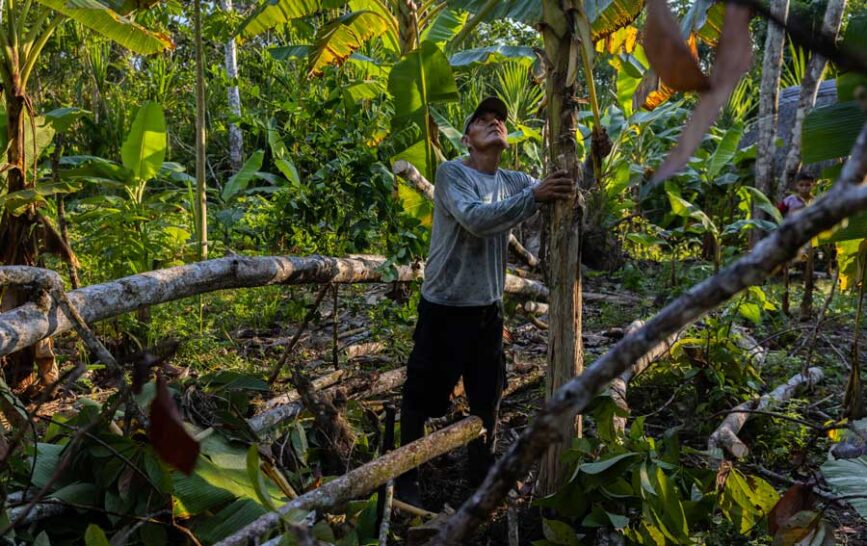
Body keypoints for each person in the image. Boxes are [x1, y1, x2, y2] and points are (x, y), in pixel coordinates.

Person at [395, 96, 607, 505]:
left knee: (487, 396)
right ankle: (408, 478)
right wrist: (535, 196)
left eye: (500, 120)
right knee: (422, 397)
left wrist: (594, 163)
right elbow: (476, 219)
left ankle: (480, 474)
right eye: (484, 120)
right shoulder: (452, 173)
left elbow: (564, 191)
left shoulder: (514, 180)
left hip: (487, 308)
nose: (495, 123)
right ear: (467, 138)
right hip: (445, 304)